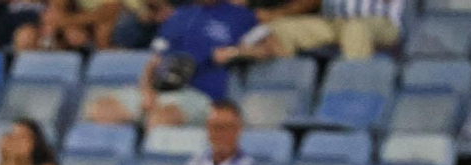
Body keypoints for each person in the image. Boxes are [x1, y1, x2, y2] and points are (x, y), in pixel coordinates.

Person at [140, 0, 257, 129]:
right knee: (114, 109)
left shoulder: (239, 16)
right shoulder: (178, 15)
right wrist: (147, 91)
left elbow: (268, 48)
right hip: (161, 90)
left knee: (161, 118)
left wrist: (234, 52)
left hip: (202, 95)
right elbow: (154, 61)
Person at [229, 0, 402, 63]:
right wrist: (277, 14)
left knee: (355, 28)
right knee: (280, 28)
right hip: (332, 22)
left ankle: (355, 93)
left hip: (379, 23)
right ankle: (293, 91)